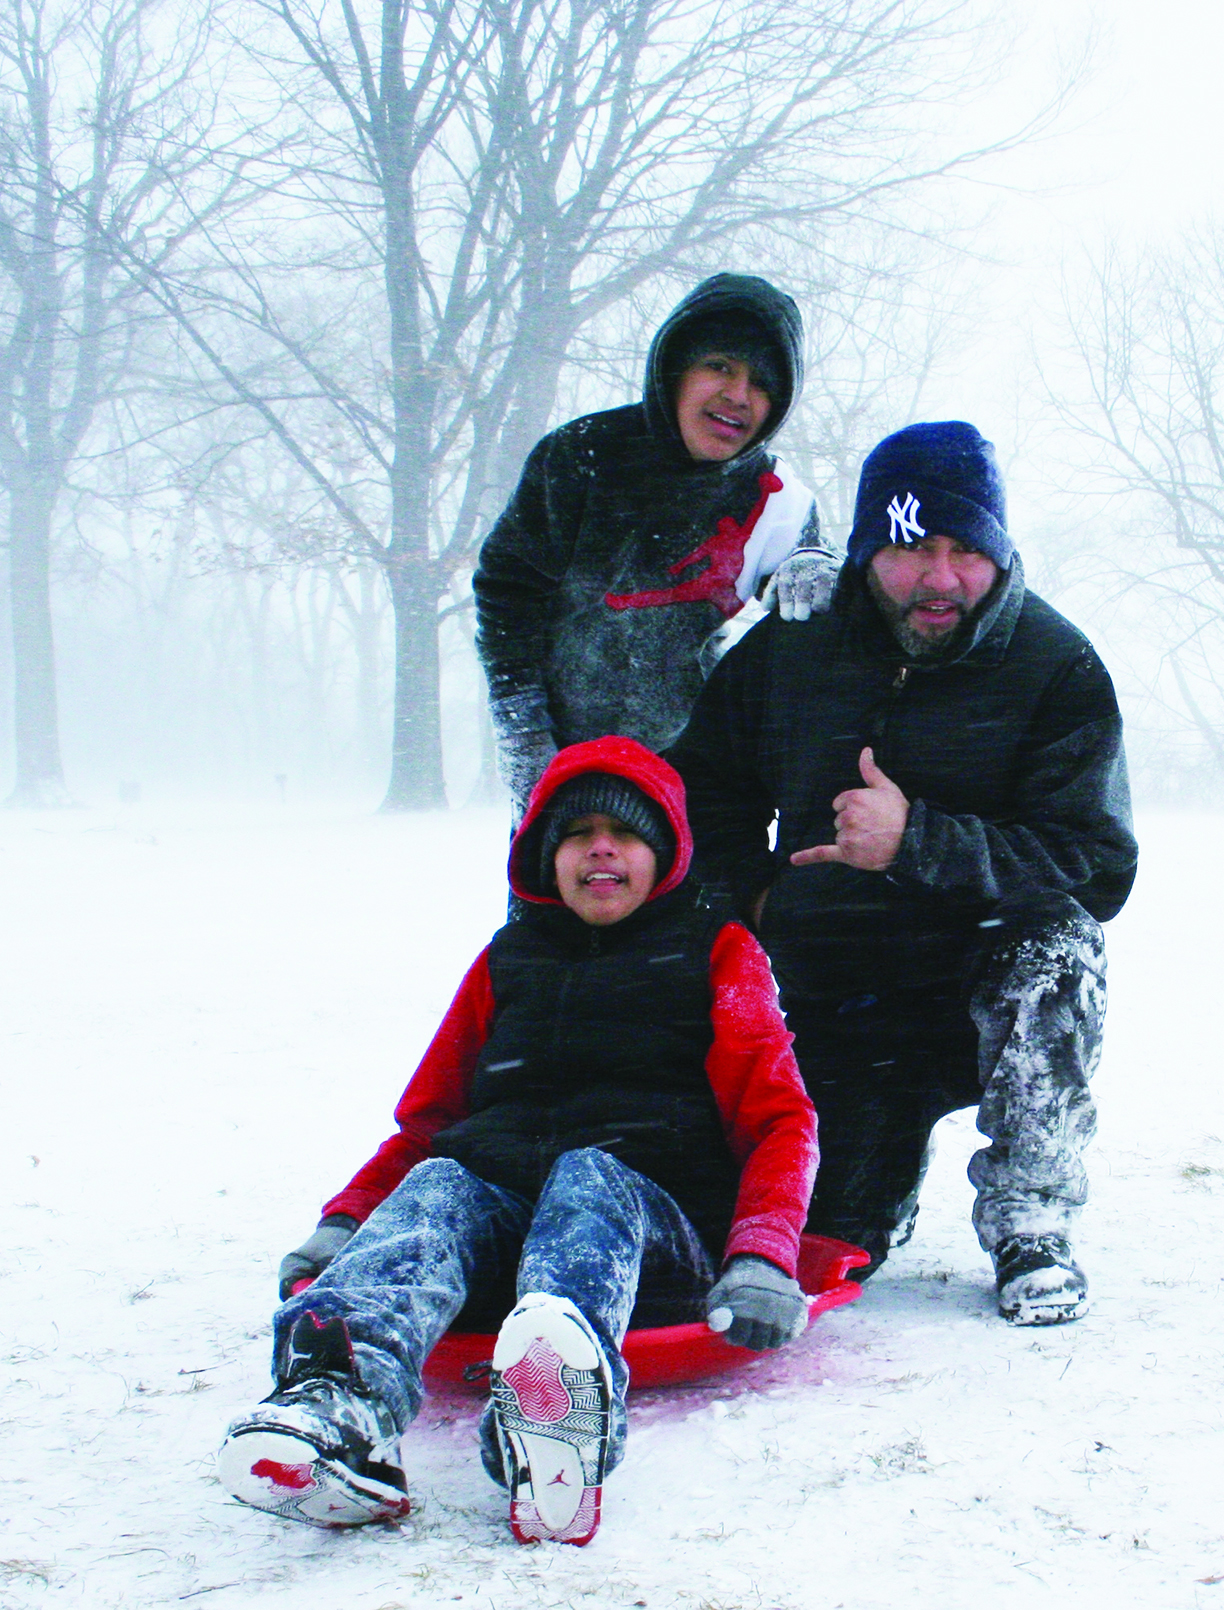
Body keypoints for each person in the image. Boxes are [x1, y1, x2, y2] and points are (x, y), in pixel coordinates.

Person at [218, 738, 817, 1546]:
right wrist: (349, 1222)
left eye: (628, 832)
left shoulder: (715, 951)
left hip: (650, 1230)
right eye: (578, 833)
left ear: (667, 854)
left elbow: (779, 1118)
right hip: (508, 1227)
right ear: (545, 855)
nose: (601, 846)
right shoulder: (508, 961)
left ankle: (555, 1417)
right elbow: (429, 1125)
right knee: (445, 1182)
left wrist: (763, 1255)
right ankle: (337, 1405)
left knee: (589, 1176)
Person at [668, 422, 1138, 1326]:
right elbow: (699, 806)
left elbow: (1096, 865)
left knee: (1057, 948)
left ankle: (1030, 1219)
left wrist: (917, 841)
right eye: (912, 546)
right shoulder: (789, 652)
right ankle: (871, 1179)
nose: (942, 577)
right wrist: (757, 900)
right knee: (833, 1241)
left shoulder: (1056, 667)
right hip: (831, 1000)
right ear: (865, 549)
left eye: (968, 550)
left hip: (977, 991)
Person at [474, 273, 839, 814]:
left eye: (762, 383)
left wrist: (819, 569)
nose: (738, 395)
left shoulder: (780, 503)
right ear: (675, 368)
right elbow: (508, 597)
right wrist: (523, 735)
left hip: (701, 803)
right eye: (719, 366)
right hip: (569, 789)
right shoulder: (579, 460)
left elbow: (809, 642)